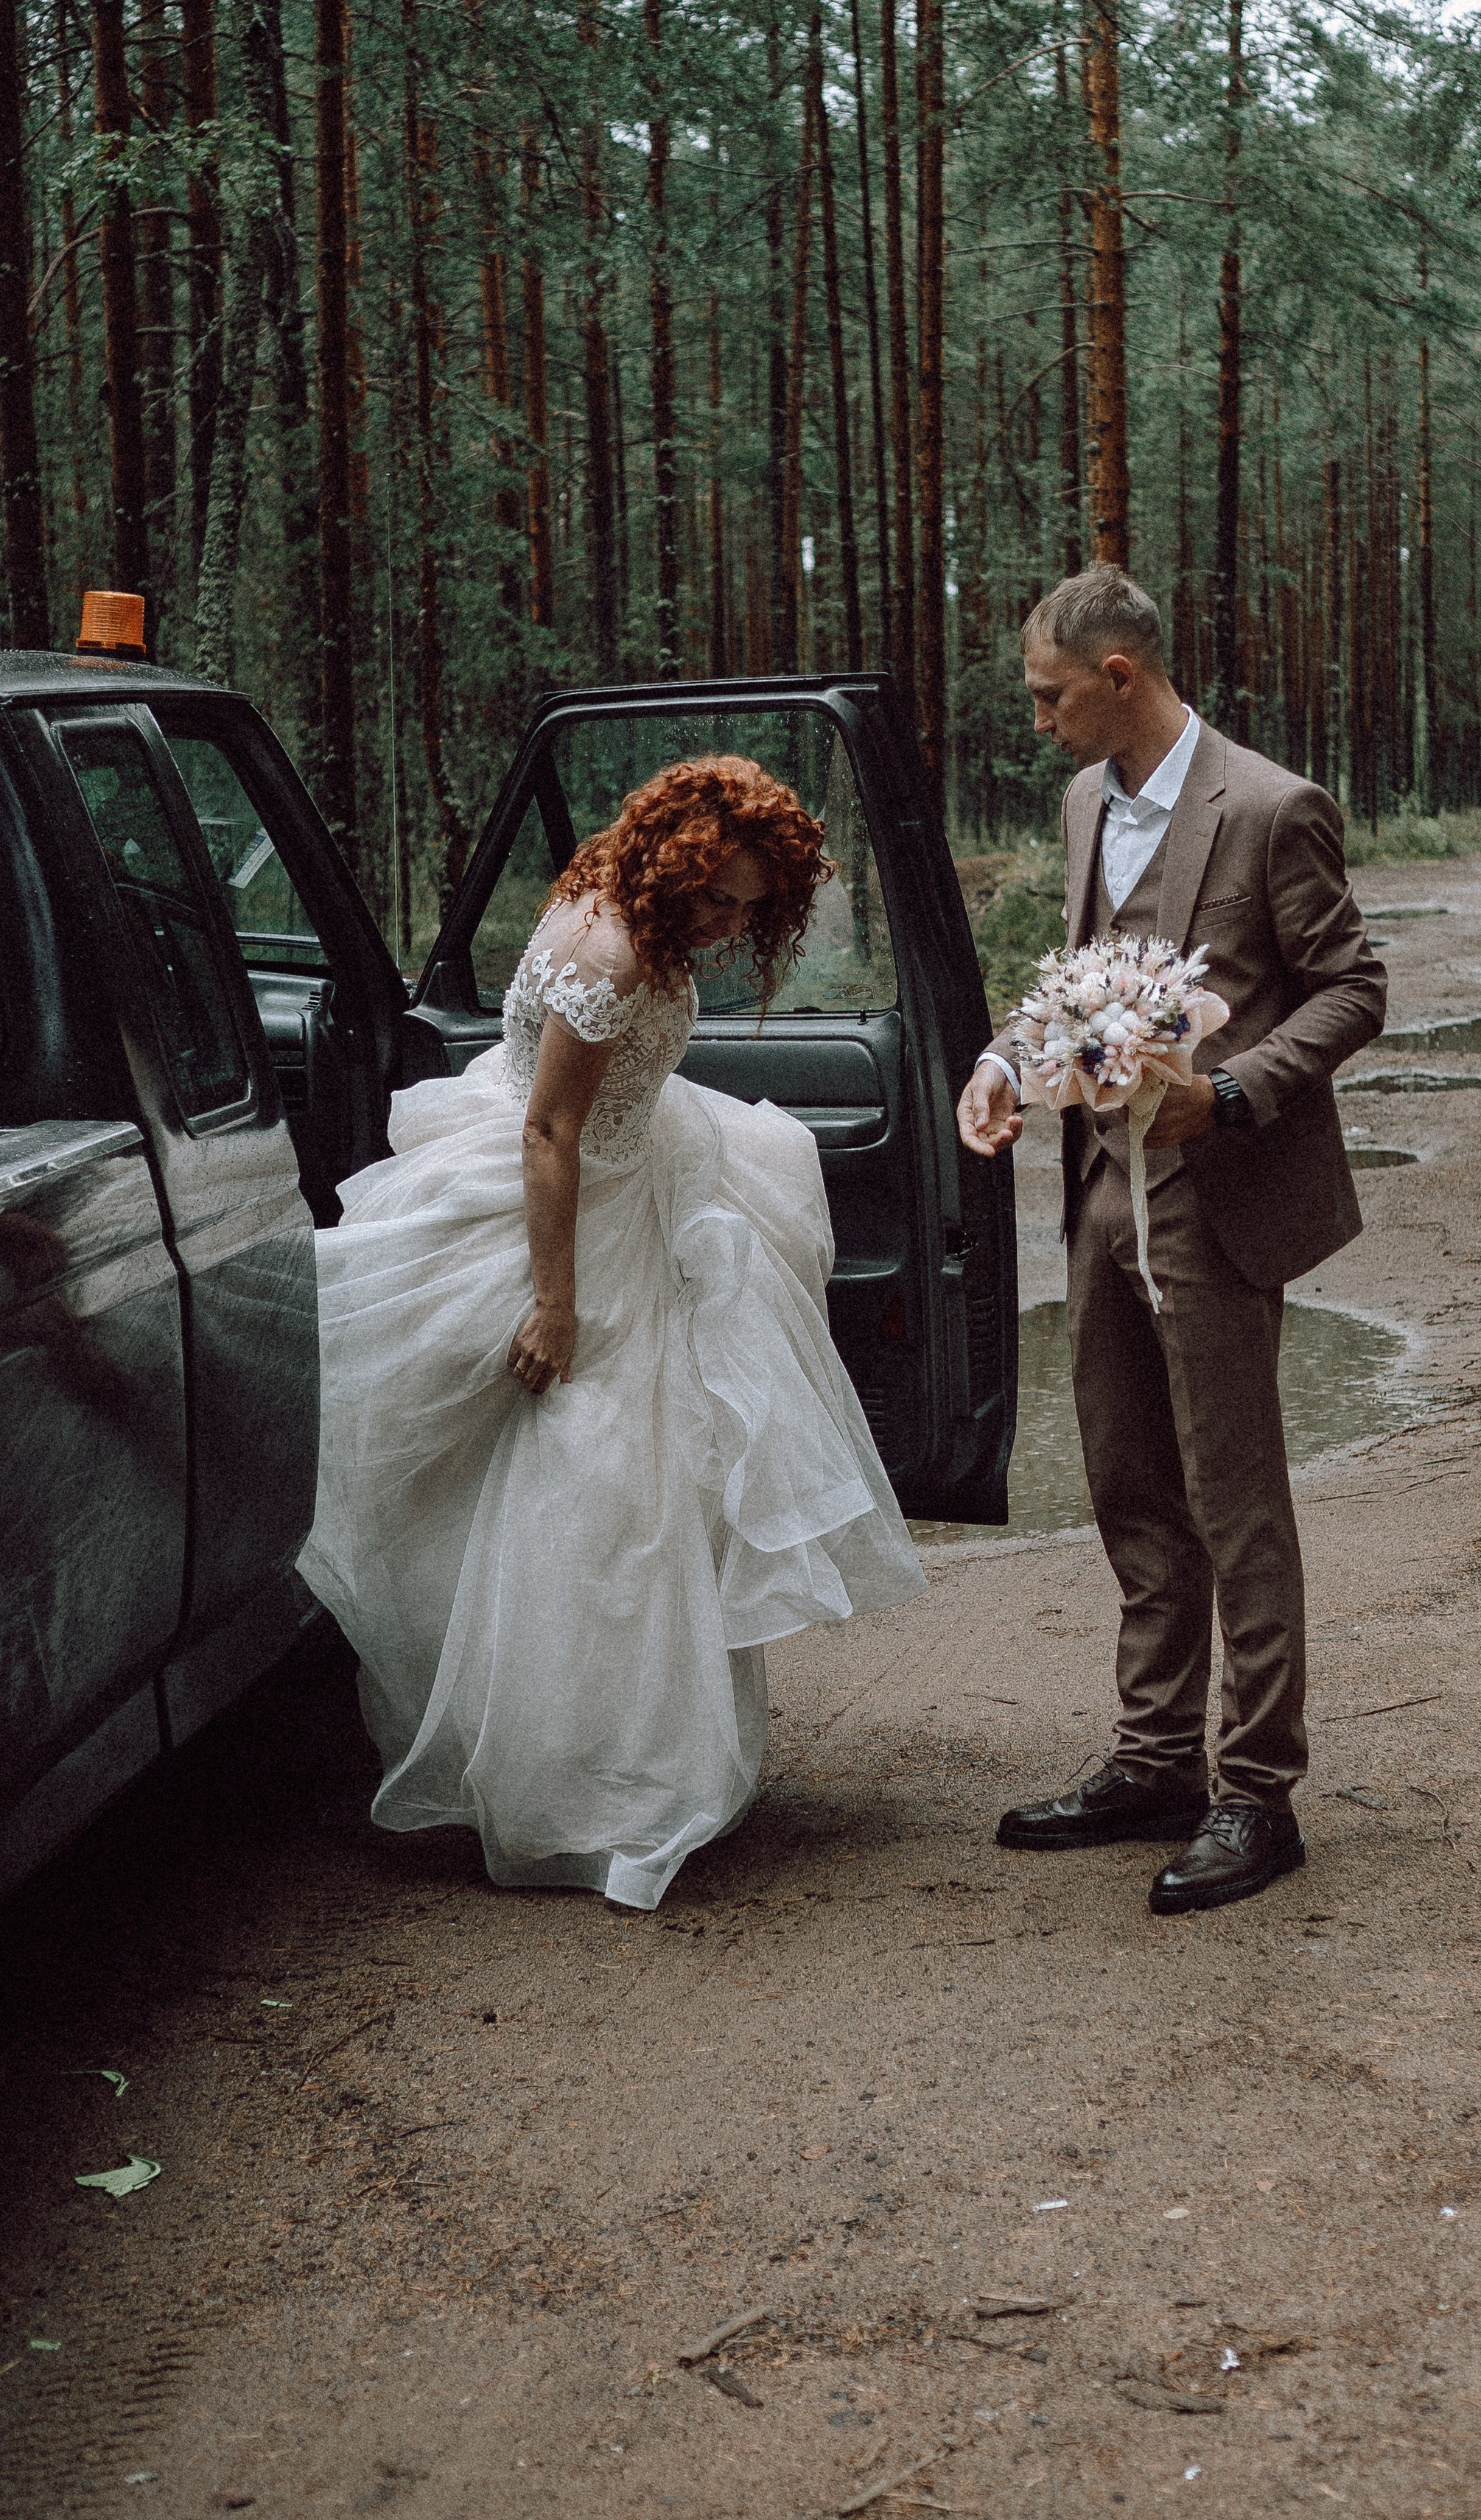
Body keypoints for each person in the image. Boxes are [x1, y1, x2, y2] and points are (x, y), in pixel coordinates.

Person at [301, 754, 925, 1909]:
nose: (733, 924)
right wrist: (554, 1301)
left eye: (752, 907)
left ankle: (622, 1765)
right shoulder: (611, 955)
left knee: (644, 1495)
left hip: (637, 1178)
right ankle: (577, 1795)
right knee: (599, 1496)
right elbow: (548, 1133)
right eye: (720, 899)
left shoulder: (617, 887)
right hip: (568, 1212)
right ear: (674, 863)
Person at [957, 567, 1386, 1915]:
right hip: (1100, 1194)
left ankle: (1257, 1793)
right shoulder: (1087, 802)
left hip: (1217, 1197)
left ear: (1119, 676)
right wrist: (1005, 1062)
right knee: (1129, 1480)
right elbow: (1083, 984)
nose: (1039, 723)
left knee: (1234, 1495)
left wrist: (1239, 1090)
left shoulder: (1267, 808)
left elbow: (1355, 986)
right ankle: (1156, 1762)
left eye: (1049, 696)